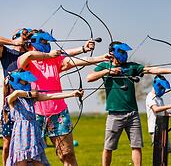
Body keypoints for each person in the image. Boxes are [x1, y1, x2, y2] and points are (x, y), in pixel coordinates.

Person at [17, 30, 111, 166]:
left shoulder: (54, 60)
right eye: (44, 42)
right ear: (32, 43)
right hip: (34, 114)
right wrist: (48, 54)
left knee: (67, 154)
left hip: (58, 113)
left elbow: (78, 61)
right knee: (33, 156)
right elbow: (30, 54)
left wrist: (101, 57)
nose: (47, 44)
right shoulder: (25, 62)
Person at [87, 41, 171, 166]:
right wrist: (108, 71)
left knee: (136, 146)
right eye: (121, 52)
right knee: (108, 147)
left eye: (125, 52)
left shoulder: (131, 67)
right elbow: (89, 77)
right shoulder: (104, 66)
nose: (124, 54)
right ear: (112, 53)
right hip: (114, 114)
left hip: (133, 114)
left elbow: (150, 70)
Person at [4, 69, 84, 166]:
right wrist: (29, 93)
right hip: (21, 135)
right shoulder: (12, 99)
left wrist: (72, 94)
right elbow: (16, 94)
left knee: (38, 161)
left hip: (33, 133)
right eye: (24, 81)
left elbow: (51, 96)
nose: (27, 83)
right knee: (22, 162)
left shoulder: (31, 98)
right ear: (15, 81)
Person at [0, 28, 33, 166]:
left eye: (25, 39)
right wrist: (13, 42)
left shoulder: (30, 55)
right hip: (9, 105)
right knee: (7, 144)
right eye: (21, 38)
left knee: (28, 144)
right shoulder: (7, 52)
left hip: (26, 104)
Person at [145, 75, 171, 151]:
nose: (163, 90)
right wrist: (170, 106)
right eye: (161, 87)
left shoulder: (159, 99)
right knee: (158, 151)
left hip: (162, 128)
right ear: (156, 84)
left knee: (166, 150)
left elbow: (164, 113)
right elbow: (156, 109)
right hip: (155, 129)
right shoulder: (150, 97)